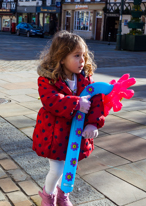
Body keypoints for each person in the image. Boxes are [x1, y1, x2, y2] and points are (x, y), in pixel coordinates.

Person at [32, 31, 106, 206]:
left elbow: (97, 103)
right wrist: (76, 103)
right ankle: (48, 196)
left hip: (76, 134)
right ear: (62, 58)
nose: (82, 60)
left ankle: (63, 195)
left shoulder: (86, 79)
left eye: (84, 55)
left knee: (70, 168)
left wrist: (93, 123)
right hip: (54, 134)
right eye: (77, 55)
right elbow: (51, 100)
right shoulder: (47, 80)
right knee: (57, 169)